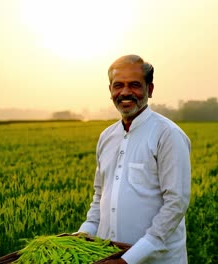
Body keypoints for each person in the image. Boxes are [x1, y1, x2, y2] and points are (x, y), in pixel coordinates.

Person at [77, 54, 191, 263]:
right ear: (110, 90)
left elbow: (176, 203)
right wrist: (84, 234)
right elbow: (99, 196)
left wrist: (129, 259)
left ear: (150, 89)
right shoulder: (107, 137)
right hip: (108, 257)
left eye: (135, 85)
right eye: (118, 85)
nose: (125, 92)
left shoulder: (168, 135)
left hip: (157, 260)